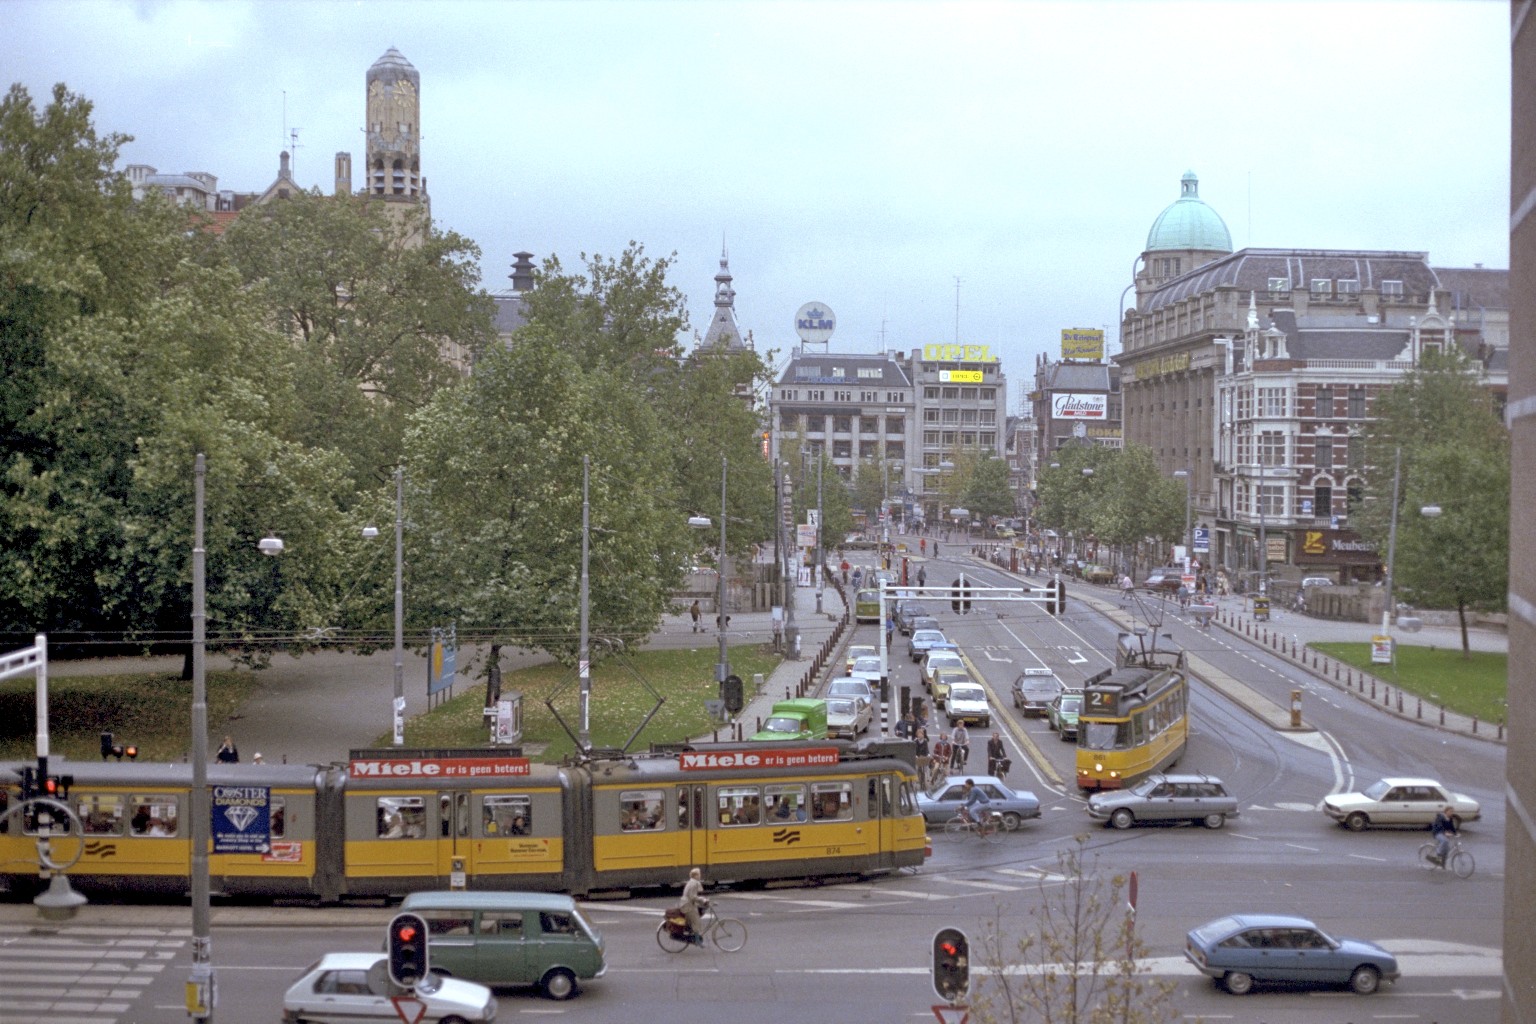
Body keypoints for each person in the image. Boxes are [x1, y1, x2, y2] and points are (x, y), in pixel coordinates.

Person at [679, 867, 707, 945]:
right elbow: (692, 897)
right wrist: (703, 900)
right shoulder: (694, 883)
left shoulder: (691, 882)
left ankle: (692, 933)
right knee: (696, 921)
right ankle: (697, 941)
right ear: (695, 876)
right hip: (688, 906)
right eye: (699, 874)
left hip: (686, 904)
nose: (700, 876)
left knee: (693, 920)